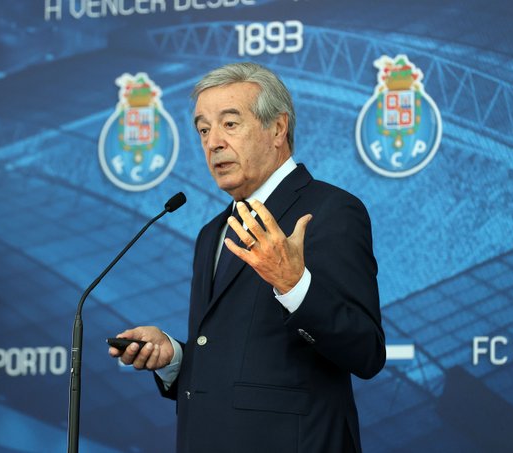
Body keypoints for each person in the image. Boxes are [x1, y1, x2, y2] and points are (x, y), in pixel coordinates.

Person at [109, 62, 386, 453]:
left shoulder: (331, 211)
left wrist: (293, 285)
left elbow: (367, 352)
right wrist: (174, 358)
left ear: (277, 129)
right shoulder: (211, 233)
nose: (213, 143)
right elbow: (237, 362)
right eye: (203, 129)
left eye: (230, 124)